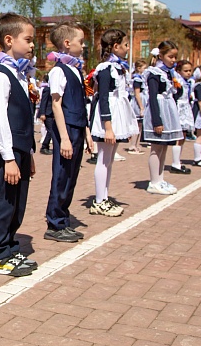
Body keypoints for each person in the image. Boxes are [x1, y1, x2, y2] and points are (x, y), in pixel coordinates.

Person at [0, 13, 38, 276]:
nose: (32, 45)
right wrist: (8, 158)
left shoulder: (20, 74)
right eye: (28, 40)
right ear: (9, 40)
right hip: (8, 151)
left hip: (21, 149)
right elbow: (1, 119)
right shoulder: (1, 76)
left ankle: (9, 246)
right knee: (5, 202)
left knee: (18, 203)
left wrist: (29, 152)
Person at [44, 23, 88, 243]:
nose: (84, 45)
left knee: (71, 175)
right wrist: (64, 138)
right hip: (67, 128)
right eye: (81, 41)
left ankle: (63, 218)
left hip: (77, 126)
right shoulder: (59, 70)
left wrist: (87, 132)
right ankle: (55, 223)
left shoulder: (75, 69)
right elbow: (56, 104)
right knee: (62, 175)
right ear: (67, 43)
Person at [89, 29, 138, 217]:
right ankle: (99, 201)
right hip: (107, 119)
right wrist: (108, 127)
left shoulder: (119, 67)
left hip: (117, 116)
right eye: (125, 45)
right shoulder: (106, 69)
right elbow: (103, 98)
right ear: (116, 46)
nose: (128, 48)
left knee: (109, 160)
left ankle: (104, 196)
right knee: (103, 159)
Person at [142, 42, 183, 195]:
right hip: (159, 110)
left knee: (164, 147)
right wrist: (157, 121)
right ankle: (153, 182)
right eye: (170, 57)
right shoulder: (154, 73)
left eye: (175, 57)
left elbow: (174, 93)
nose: (173, 60)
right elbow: (153, 97)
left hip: (168, 109)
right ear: (161, 56)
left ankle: (160, 179)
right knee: (156, 147)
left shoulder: (169, 73)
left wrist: (178, 88)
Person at [170, 60, 193, 175]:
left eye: (190, 70)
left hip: (185, 107)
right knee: (179, 136)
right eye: (186, 71)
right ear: (179, 71)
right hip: (179, 107)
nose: (188, 73)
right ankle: (175, 163)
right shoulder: (177, 81)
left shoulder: (187, 82)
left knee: (183, 136)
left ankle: (178, 161)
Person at [127, 59, 148, 154]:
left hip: (143, 100)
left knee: (140, 125)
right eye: (144, 68)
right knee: (136, 124)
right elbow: (137, 94)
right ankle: (132, 144)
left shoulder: (142, 78)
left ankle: (136, 144)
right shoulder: (137, 79)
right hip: (138, 103)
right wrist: (141, 107)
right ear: (139, 68)